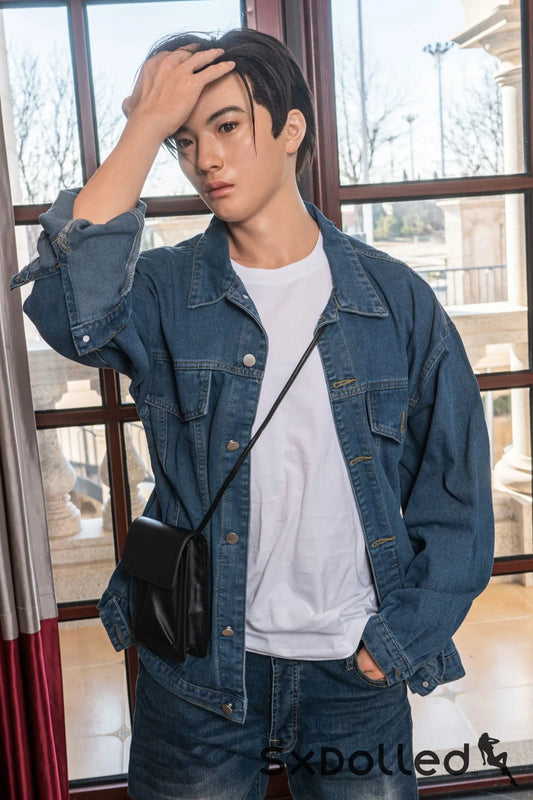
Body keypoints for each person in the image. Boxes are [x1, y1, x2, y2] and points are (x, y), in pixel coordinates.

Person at [11, 27, 494, 800]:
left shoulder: (393, 298)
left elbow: (456, 493)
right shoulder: (164, 291)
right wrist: (142, 125)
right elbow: (70, 314)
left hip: (353, 677)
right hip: (196, 675)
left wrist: (395, 643)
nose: (205, 159)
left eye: (227, 126)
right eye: (183, 140)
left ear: (290, 128)